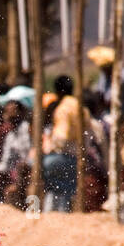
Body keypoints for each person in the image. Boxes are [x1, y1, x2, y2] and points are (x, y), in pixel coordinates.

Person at [42, 75, 81, 212]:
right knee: (66, 191)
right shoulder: (79, 105)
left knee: (53, 188)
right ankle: (63, 213)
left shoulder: (63, 108)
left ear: (59, 91)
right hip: (77, 157)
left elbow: (61, 137)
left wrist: (50, 148)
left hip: (60, 157)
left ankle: (46, 215)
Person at [0, 89, 33, 209]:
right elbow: (6, 160)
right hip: (14, 170)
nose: (8, 114)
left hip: (27, 168)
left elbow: (29, 152)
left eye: (12, 111)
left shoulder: (27, 129)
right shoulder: (10, 135)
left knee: (21, 169)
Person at [88, 46, 124, 118]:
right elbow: (99, 89)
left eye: (104, 68)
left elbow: (110, 99)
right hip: (109, 114)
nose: (103, 70)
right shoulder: (105, 75)